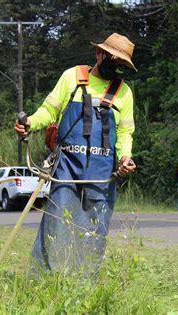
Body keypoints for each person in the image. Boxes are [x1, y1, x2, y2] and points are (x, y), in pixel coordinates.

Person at [14, 33, 137, 274]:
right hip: (66, 169)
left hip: (101, 174)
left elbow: (125, 132)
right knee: (56, 223)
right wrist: (30, 122)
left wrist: (125, 158)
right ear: (98, 54)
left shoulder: (124, 93)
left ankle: (83, 286)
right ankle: (43, 282)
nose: (117, 67)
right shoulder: (72, 77)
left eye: (123, 65)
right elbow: (49, 110)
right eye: (114, 59)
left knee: (94, 229)